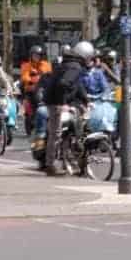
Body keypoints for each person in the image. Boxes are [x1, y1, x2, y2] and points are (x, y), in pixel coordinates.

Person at [43, 41, 92, 175]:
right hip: (55, 101)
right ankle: (50, 165)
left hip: (60, 99)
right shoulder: (75, 66)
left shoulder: (72, 64)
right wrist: (62, 103)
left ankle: (69, 159)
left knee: (73, 127)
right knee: (56, 133)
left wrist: (86, 101)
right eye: (89, 57)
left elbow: (77, 85)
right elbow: (63, 83)